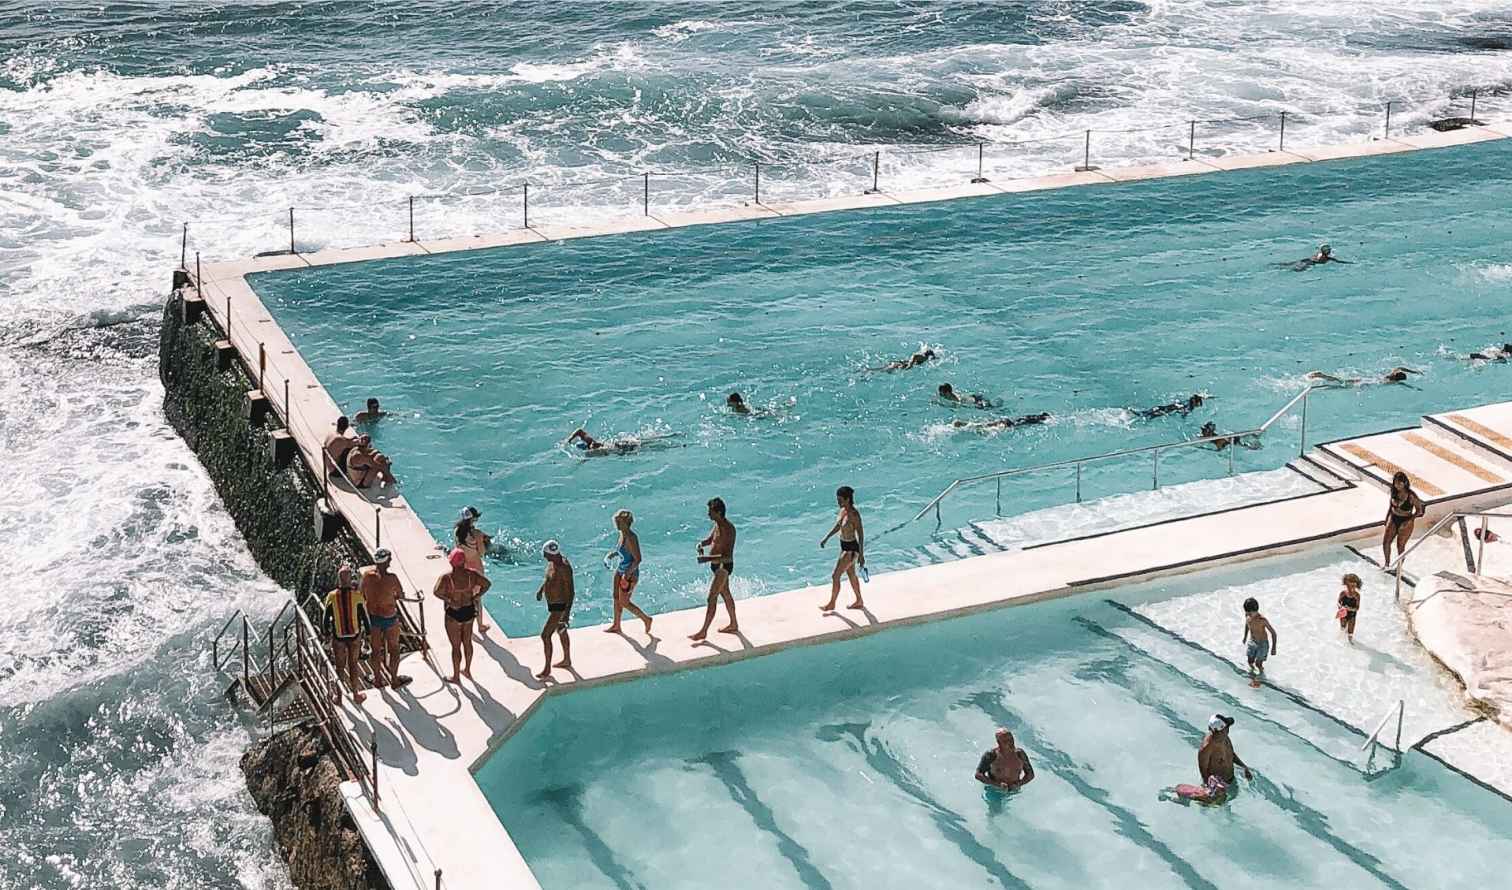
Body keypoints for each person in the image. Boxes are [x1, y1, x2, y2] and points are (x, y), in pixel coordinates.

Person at [433, 547, 488, 684]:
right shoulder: (472, 575)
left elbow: (436, 592)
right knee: (467, 642)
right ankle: (467, 670)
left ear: (451, 562)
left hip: (454, 612)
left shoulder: (447, 578)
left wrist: (449, 600)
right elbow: (487, 584)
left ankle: (456, 676)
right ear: (464, 562)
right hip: (469, 610)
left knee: (456, 646)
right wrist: (476, 596)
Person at [690, 497, 739, 641]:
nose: (708, 514)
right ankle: (734, 624)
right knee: (726, 594)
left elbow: (727, 557)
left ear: (718, 512)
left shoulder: (729, 529)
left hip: (723, 567)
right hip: (716, 566)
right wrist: (701, 544)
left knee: (711, 597)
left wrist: (706, 559)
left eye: (710, 511)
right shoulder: (717, 525)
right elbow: (711, 540)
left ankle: (703, 631)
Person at [361, 548, 410, 689]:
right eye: (389, 559)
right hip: (389, 617)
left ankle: (377, 680)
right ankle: (394, 680)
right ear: (386, 561)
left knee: (375, 650)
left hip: (373, 618)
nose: (391, 561)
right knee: (394, 649)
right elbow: (400, 595)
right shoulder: (392, 578)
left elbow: (361, 593)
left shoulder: (367, 576)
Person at [322, 565, 369, 705]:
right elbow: (365, 617)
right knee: (353, 665)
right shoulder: (357, 596)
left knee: (340, 667)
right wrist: (367, 635)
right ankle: (356, 695)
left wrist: (326, 635)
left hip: (339, 637)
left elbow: (325, 618)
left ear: (339, 580)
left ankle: (339, 697)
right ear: (350, 579)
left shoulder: (331, 596)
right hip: (354, 636)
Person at [605, 509, 653, 635]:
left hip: (629, 574)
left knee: (624, 602)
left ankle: (646, 619)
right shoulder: (622, 534)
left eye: (618, 522)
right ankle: (616, 625)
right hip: (620, 570)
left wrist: (627, 575)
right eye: (616, 521)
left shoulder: (631, 538)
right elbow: (624, 551)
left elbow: (638, 559)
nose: (616, 524)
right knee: (616, 597)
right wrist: (613, 554)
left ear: (626, 523)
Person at [819, 485, 866, 612]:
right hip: (844, 546)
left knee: (835, 576)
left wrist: (861, 555)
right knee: (851, 574)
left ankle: (832, 603)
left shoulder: (854, 515)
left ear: (847, 499)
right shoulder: (842, 511)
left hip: (851, 549)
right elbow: (838, 526)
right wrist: (826, 538)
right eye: (837, 499)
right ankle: (859, 600)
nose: (838, 502)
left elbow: (861, 535)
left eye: (840, 500)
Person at [535, 540, 575, 679]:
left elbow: (571, 592)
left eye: (545, 554)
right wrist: (541, 590)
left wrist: (566, 613)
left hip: (560, 606)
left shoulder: (564, 568)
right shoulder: (553, 562)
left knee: (545, 635)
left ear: (552, 554)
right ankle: (567, 659)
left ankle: (547, 669)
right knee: (561, 630)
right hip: (553, 604)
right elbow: (549, 579)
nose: (544, 557)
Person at [455, 506, 492, 634]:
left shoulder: (457, 531)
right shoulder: (476, 534)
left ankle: (461, 623)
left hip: (462, 566)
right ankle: (480, 625)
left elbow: (458, 551)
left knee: (463, 596)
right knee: (477, 598)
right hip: (475, 568)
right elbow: (481, 553)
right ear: (474, 519)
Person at [1197, 714, 1252, 795]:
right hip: (1219, 787)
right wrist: (1209, 788)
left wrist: (1244, 767)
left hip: (1231, 780)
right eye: (1227, 727)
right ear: (1221, 730)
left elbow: (1231, 754)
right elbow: (1203, 772)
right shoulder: (1206, 748)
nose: (1228, 729)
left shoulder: (1225, 738)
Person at [1383, 470, 1425, 567]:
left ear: (1405, 483)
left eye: (1399, 483)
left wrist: (1411, 520)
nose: (1397, 485)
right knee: (1386, 542)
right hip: (1393, 518)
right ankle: (1386, 564)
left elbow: (1420, 511)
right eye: (1395, 483)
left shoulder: (1411, 496)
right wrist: (1387, 518)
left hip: (1406, 521)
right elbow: (1391, 506)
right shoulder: (1394, 492)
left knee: (1400, 546)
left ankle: (1399, 568)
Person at [1241, 596, 1277, 688]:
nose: (1248, 614)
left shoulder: (1262, 620)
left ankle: (1261, 676)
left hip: (1262, 644)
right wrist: (1245, 636)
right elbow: (1247, 624)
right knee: (1250, 661)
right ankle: (1253, 674)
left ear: (1255, 610)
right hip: (1252, 642)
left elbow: (1273, 633)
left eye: (1249, 612)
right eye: (1247, 612)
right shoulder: (1247, 616)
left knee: (1258, 663)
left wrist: (1273, 648)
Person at [1306, 367, 1419, 387]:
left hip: (1366, 379)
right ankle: (1321, 375)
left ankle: (1321, 376)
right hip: (1366, 383)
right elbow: (1403, 384)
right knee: (1341, 383)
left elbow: (1399, 367)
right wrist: (1414, 388)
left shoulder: (1391, 375)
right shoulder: (1393, 382)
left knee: (1341, 381)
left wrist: (1413, 371)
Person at [323, 416, 356, 482]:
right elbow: (352, 444)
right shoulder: (341, 440)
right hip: (335, 471)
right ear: (347, 427)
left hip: (328, 466)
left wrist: (352, 439)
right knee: (353, 450)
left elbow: (346, 441)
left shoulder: (332, 434)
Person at [952, 412, 1051, 431]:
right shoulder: (1035, 420)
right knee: (985, 427)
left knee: (985, 425)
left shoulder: (1031, 417)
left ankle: (964, 424)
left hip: (1008, 421)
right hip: (1008, 424)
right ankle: (964, 425)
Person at [1287, 243, 1351, 271]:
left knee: (1289, 264)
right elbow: (1339, 261)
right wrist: (1350, 263)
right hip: (1310, 263)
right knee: (1297, 270)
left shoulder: (1319, 253)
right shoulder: (1328, 258)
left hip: (1306, 260)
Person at [1337, 573, 1362, 643]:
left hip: (1352, 614)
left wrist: (1350, 609)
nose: (1351, 588)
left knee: (1350, 631)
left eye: (1353, 585)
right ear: (1346, 584)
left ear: (1356, 585)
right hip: (1343, 613)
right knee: (1343, 628)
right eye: (1349, 585)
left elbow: (1357, 608)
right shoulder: (1343, 593)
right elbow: (1338, 602)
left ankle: (1350, 643)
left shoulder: (1357, 595)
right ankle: (1340, 641)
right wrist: (1340, 607)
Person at [1135, 394, 1204, 419]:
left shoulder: (1189, 403)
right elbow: (1184, 411)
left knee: (1155, 413)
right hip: (1169, 410)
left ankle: (1140, 414)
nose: (1198, 406)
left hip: (1168, 409)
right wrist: (1183, 416)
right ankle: (1140, 414)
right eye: (1198, 404)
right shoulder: (1189, 405)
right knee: (1156, 411)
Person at [870, 349, 936, 372]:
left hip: (903, 363)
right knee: (884, 369)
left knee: (884, 369)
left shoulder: (925, 357)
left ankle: (871, 370)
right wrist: (910, 365)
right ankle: (870, 371)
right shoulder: (924, 357)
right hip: (903, 364)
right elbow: (915, 355)